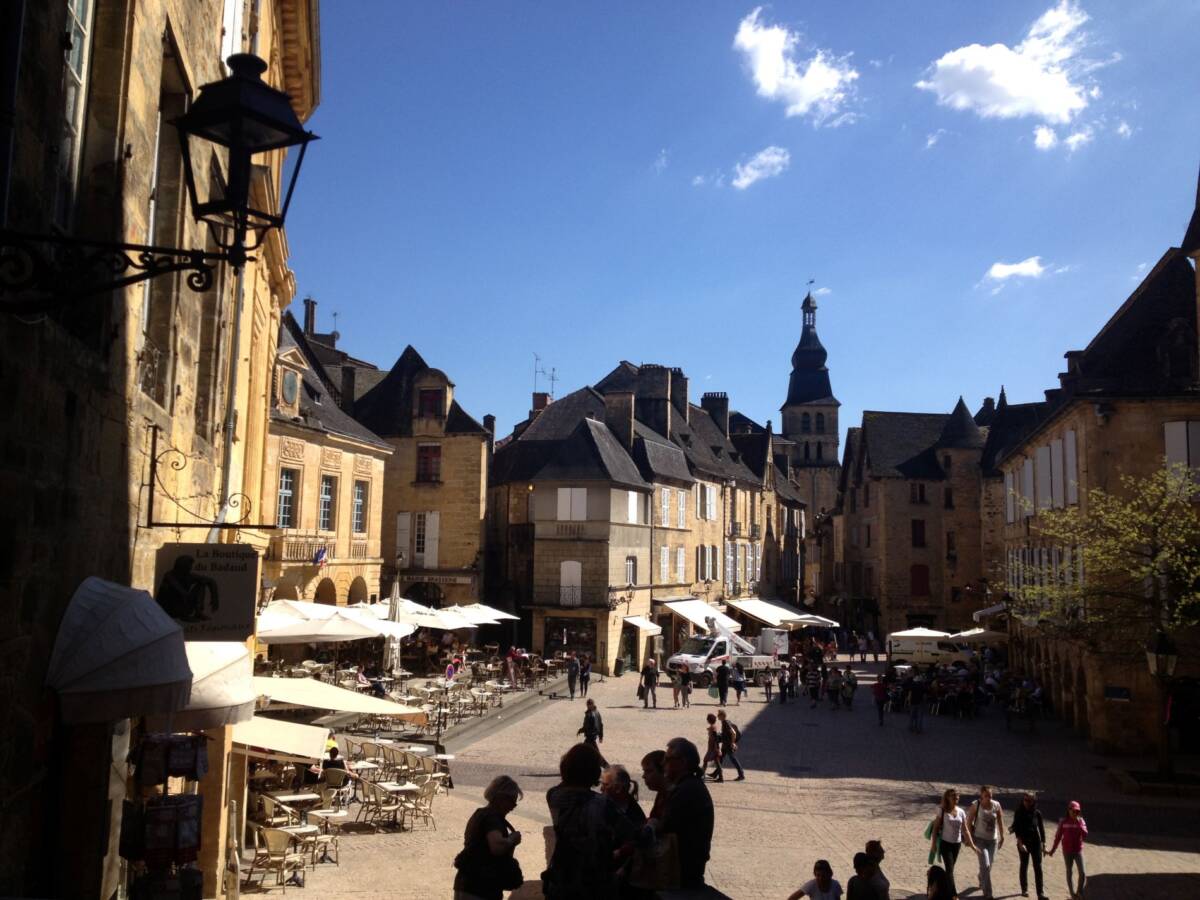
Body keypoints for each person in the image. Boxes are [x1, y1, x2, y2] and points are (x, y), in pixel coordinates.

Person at [543, 743, 638, 899]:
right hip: (594, 879)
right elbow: (631, 833)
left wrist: (570, 767)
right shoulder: (603, 804)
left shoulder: (553, 796)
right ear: (594, 772)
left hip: (562, 872)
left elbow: (566, 785)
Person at [453, 774, 524, 900]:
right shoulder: (492, 819)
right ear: (500, 798)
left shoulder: (480, 814)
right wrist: (513, 839)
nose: (514, 806)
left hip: (466, 883)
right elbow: (496, 846)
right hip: (480, 888)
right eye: (512, 800)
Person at [657, 737, 714, 889]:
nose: (663, 764)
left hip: (683, 871)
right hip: (685, 866)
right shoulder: (689, 785)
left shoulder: (686, 790)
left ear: (682, 762)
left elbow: (665, 826)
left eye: (668, 759)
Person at [930, 788, 975, 900]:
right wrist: (934, 844)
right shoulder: (942, 810)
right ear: (948, 798)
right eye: (953, 797)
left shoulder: (961, 812)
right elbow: (935, 828)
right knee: (950, 870)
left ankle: (939, 886)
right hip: (945, 844)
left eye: (957, 797)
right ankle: (953, 895)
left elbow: (965, 830)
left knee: (950, 870)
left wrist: (972, 844)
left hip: (957, 844)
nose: (956, 798)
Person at [968, 785, 1004, 900]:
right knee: (985, 864)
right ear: (981, 795)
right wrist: (970, 838)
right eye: (986, 795)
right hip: (980, 839)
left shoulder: (996, 805)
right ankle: (988, 893)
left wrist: (1002, 836)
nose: (988, 797)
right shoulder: (976, 805)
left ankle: (981, 877)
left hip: (993, 840)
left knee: (989, 865)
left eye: (990, 795)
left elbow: (1000, 820)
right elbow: (968, 821)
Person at [1009, 792, 1048, 900]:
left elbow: (1041, 829)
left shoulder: (1037, 813)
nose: (1026, 802)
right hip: (1023, 842)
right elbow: (1016, 828)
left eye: (1029, 801)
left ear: (1033, 802)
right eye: (1025, 800)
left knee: (1038, 867)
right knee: (1024, 865)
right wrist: (1020, 843)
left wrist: (1043, 843)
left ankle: (1040, 893)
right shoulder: (1019, 812)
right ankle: (1024, 889)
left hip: (1035, 843)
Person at [1048, 800, 1088, 899]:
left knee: (1082, 873)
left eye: (1077, 811)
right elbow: (1058, 837)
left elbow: (1085, 835)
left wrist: (1079, 824)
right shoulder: (1063, 822)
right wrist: (1053, 850)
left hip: (1078, 850)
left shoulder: (1081, 821)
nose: (1075, 813)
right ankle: (1072, 894)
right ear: (1069, 810)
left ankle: (1079, 892)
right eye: (1073, 811)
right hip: (1067, 851)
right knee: (1069, 871)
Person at [714, 709, 744, 781]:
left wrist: (733, 743)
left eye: (719, 715)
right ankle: (716, 773)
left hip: (728, 745)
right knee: (720, 758)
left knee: (733, 759)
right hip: (725, 745)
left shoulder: (726, 723)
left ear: (722, 716)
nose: (717, 716)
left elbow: (733, 733)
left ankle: (741, 774)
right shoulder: (725, 722)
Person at [576, 698, 607, 766]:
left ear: (592, 705)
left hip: (590, 737)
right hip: (591, 736)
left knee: (588, 752)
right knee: (588, 752)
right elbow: (600, 725)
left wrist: (581, 730)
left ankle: (606, 766)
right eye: (587, 704)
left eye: (589, 704)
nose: (588, 706)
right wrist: (600, 736)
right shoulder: (597, 712)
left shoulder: (590, 714)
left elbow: (590, 726)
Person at [640, 749, 669, 821]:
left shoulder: (672, 796)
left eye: (648, 771)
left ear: (664, 772)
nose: (643, 776)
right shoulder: (662, 793)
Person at [702, 713, 723, 781]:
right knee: (717, 763)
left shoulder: (713, 728)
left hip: (713, 749)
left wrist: (717, 749)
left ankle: (702, 775)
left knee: (705, 760)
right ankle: (720, 777)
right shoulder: (713, 727)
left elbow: (715, 739)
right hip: (713, 748)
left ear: (709, 720)